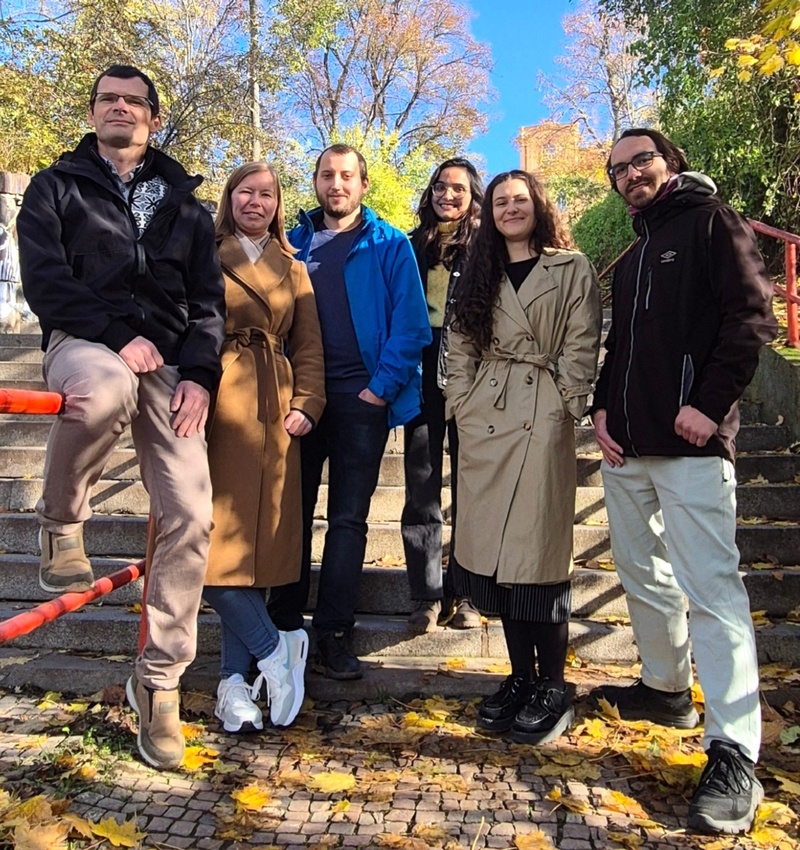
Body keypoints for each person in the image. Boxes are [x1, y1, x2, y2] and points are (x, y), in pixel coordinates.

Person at [17, 65, 226, 770]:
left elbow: (208, 304)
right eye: (108, 99)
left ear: (154, 119)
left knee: (191, 513)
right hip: (85, 341)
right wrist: (114, 333)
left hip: (167, 361)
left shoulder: (185, 204)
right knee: (103, 387)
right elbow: (46, 282)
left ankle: (158, 682)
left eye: (134, 102)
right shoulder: (56, 186)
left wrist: (200, 375)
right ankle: (60, 526)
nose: (120, 109)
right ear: (92, 112)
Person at [590, 129, 777, 835]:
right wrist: (601, 406)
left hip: (692, 444)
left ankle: (734, 752)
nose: (630, 174)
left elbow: (752, 318)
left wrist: (709, 404)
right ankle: (666, 689)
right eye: (618, 169)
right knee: (642, 572)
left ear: (670, 162)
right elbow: (622, 345)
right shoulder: (637, 250)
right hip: (627, 447)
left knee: (713, 590)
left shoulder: (711, 222)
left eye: (641, 160)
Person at [445, 170, 601, 745]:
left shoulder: (571, 267)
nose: (510, 209)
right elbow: (460, 342)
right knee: (499, 560)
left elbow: (583, 337)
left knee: (537, 556)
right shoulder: (479, 269)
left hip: (542, 413)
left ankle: (553, 685)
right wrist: (461, 404)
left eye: (520, 199)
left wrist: (567, 402)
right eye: (500, 202)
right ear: (490, 213)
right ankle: (520, 677)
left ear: (539, 205)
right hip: (486, 416)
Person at [267, 144, 431, 679]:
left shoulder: (389, 244)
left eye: (345, 176)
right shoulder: (291, 243)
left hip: (361, 400)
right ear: (315, 182)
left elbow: (411, 325)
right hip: (300, 399)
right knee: (290, 514)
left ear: (362, 185)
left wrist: (379, 390)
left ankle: (334, 633)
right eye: (326, 175)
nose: (335, 184)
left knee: (347, 520)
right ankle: (282, 626)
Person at [202, 163, 325, 732]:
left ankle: (232, 685)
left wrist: (308, 402)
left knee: (251, 554)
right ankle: (277, 651)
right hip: (214, 399)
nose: (256, 201)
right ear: (230, 198)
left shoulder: (294, 267)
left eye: (267, 194)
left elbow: (310, 344)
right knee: (208, 548)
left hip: (274, 407)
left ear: (278, 204)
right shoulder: (204, 253)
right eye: (246, 191)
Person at [402, 158, 484, 633]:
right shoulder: (411, 245)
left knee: (471, 485)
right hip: (420, 366)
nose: (446, 195)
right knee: (422, 484)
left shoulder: (488, 248)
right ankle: (426, 594)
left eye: (457, 188)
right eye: (439, 186)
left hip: (473, 368)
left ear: (472, 196)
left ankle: (469, 592)